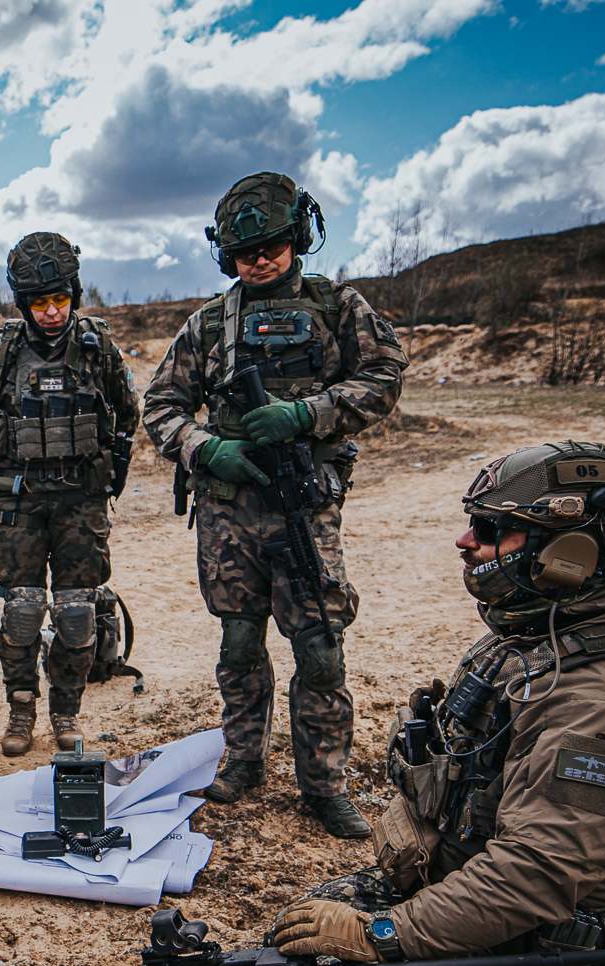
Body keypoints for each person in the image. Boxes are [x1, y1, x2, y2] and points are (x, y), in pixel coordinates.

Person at [250, 441, 605, 966]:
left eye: (492, 529)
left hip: (543, 965)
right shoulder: (538, 633)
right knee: (288, 945)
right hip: (472, 902)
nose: (467, 541)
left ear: (569, 551)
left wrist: (378, 936)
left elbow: (535, 876)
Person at [141, 171, 407, 837]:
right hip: (230, 513)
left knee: (319, 647)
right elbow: (161, 405)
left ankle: (323, 782)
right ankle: (245, 758)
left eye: (272, 246)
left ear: (298, 239)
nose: (259, 260)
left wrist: (305, 414)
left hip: (305, 505)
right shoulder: (209, 323)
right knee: (238, 642)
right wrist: (206, 449)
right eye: (244, 253)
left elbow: (383, 379)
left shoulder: (338, 306)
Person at [0, 232, 140, 757]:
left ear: (73, 294)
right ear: (24, 304)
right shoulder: (5, 351)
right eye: (40, 302)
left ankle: (66, 711)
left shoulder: (96, 346)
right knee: (22, 609)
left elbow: (127, 412)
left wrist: (110, 469)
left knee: (78, 612)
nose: (52, 311)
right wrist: (0, 473)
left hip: (80, 500)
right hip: (21, 501)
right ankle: (21, 711)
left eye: (60, 299)